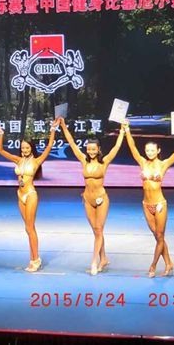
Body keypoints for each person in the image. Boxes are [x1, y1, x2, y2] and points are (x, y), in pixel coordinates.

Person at [124, 120, 174, 277]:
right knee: (157, 236)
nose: (149, 152)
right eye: (147, 150)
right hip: (146, 204)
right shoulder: (142, 162)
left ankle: (153, 265)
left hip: (159, 204)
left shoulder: (163, 164)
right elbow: (132, 147)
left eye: (152, 150)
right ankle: (169, 263)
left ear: (158, 150)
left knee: (160, 236)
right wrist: (127, 130)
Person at [60, 117, 125, 275]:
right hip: (87, 199)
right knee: (96, 231)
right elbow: (72, 143)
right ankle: (104, 258)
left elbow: (116, 147)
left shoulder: (104, 162)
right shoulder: (84, 161)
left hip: (101, 199)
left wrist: (123, 130)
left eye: (93, 149)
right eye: (88, 149)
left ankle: (94, 261)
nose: (90, 152)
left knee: (99, 229)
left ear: (98, 149)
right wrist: (63, 125)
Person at [0, 120, 59, 272]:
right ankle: (33, 258)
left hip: (30, 195)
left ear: (31, 148)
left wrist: (52, 130)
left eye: (27, 147)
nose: (24, 149)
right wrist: (1, 134)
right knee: (28, 228)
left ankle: (36, 259)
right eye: (23, 147)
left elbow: (49, 146)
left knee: (30, 227)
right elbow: (0, 150)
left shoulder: (36, 161)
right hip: (20, 195)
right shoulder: (18, 160)